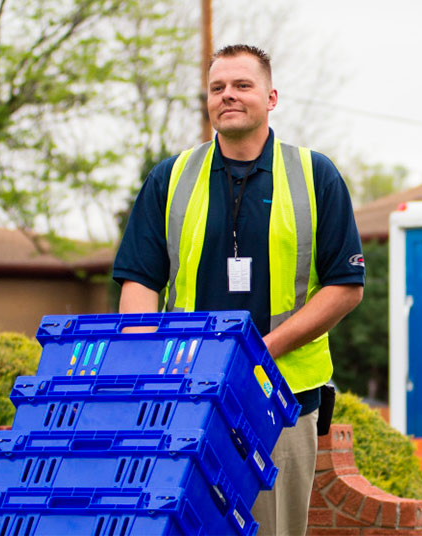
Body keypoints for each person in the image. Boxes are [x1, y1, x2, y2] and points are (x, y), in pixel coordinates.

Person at [112, 44, 364, 535]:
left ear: (270, 97)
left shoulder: (315, 175)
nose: (228, 95)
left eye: (242, 85)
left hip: (282, 399)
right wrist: (149, 366)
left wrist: (256, 356)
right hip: (185, 396)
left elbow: (345, 287)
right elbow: (140, 280)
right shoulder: (170, 178)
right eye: (217, 88)